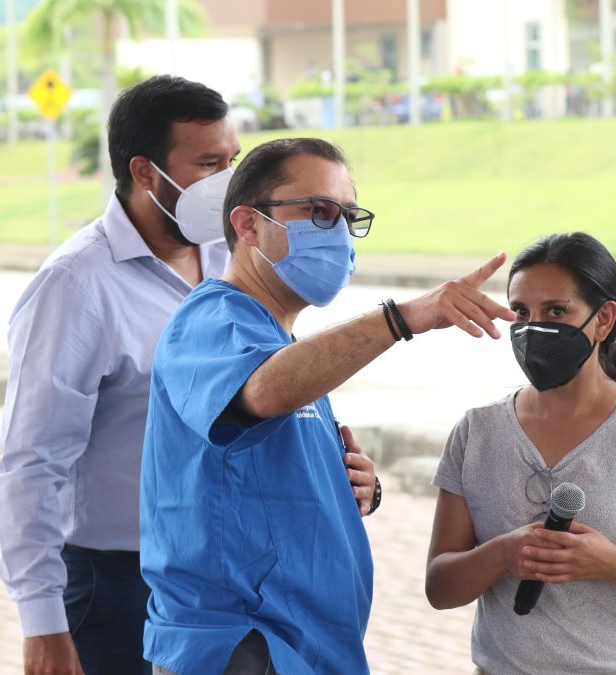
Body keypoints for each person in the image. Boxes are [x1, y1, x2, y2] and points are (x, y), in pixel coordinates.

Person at [0, 76, 378, 675]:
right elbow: (33, 460)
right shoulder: (76, 285)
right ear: (145, 172)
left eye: (234, 160)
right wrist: (42, 623)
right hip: (117, 582)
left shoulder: (246, 259)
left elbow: (274, 406)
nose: (228, 181)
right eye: (207, 164)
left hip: (235, 587)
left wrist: (341, 474)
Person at [140, 137, 515, 674]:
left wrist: (355, 486)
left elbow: (266, 469)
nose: (337, 232)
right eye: (318, 211)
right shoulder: (213, 319)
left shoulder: (278, 342)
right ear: (247, 226)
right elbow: (264, 392)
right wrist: (401, 319)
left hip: (307, 647)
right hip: (246, 645)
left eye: (348, 215)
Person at [425, 232, 616, 675]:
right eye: (521, 312)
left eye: (556, 311)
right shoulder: (476, 433)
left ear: (603, 320)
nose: (534, 326)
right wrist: (502, 554)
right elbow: (440, 587)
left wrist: (611, 563)